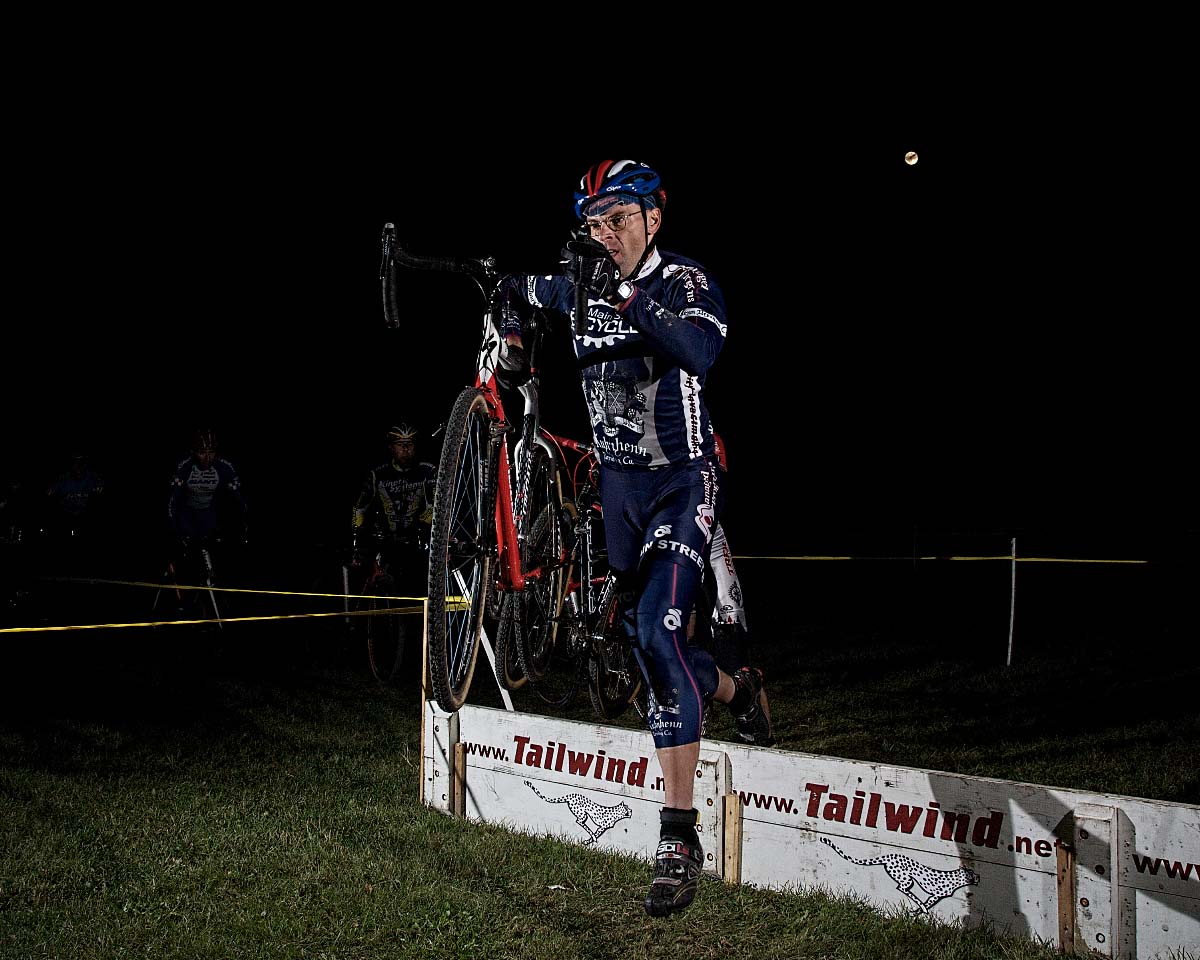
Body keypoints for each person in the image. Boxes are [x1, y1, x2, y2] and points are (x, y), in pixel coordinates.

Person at [498, 158, 770, 916]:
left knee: (657, 632)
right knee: (645, 643)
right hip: (617, 494)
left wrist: (620, 292)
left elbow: (699, 351)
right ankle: (737, 687)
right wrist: (511, 309)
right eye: (593, 224)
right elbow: (520, 289)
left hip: (682, 484)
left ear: (655, 217)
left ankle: (678, 835)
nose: (604, 235)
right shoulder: (579, 282)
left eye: (618, 219)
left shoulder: (682, 280)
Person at [349, 423, 436, 590]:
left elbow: (436, 505)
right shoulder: (377, 474)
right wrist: (357, 543)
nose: (405, 449)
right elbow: (359, 509)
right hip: (386, 542)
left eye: (409, 444)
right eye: (400, 444)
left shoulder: (428, 471)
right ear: (391, 447)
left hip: (417, 542)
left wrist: (422, 528)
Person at [166, 427, 248, 582]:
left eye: (211, 452)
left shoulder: (224, 467)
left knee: (215, 555)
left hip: (208, 515)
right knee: (186, 556)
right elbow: (172, 501)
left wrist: (242, 525)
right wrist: (174, 529)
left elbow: (239, 500)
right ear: (194, 451)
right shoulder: (185, 466)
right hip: (187, 515)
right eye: (202, 452)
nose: (207, 458)